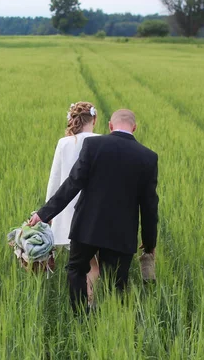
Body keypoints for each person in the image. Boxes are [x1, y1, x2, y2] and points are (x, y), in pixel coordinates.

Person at [29, 109, 159, 313]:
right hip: (122, 233)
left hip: (87, 226)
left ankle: (81, 317)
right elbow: (150, 206)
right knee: (116, 283)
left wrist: (43, 214)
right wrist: (149, 243)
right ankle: (110, 322)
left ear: (109, 125)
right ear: (134, 128)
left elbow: (71, 184)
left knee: (76, 269)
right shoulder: (148, 157)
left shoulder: (93, 145)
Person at [45, 102, 100, 305]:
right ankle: (90, 304)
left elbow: (55, 179)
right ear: (94, 120)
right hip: (97, 211)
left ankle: (86, 306)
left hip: (69, 212)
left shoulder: (64, 143)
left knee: (83, 263)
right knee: (94, 264)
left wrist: (47, 214)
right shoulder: (102, 141)